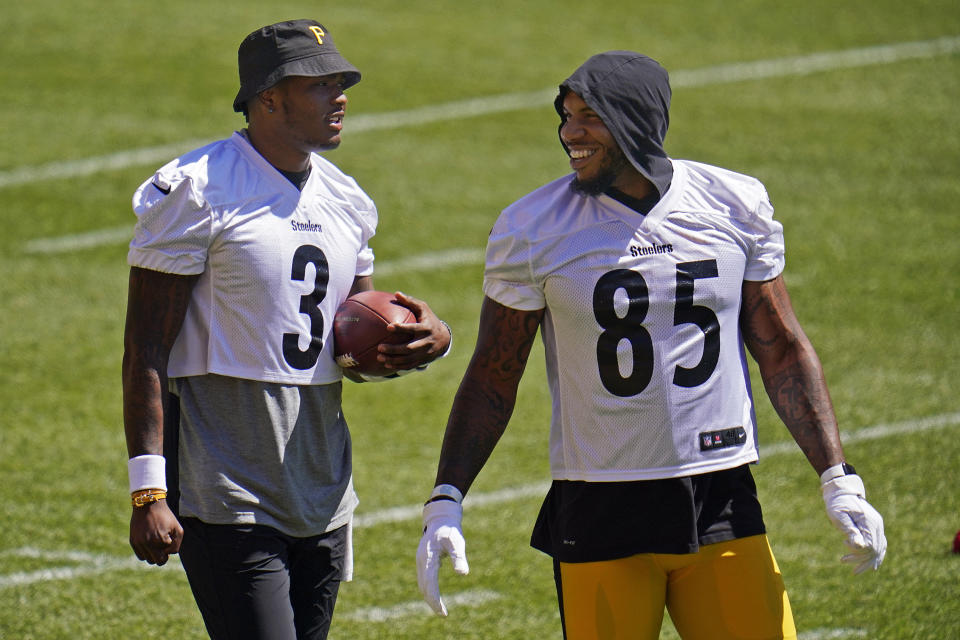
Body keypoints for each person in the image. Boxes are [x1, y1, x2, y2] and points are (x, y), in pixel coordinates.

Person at [415, 51, 886, 639]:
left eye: (590, 116)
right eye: (566, 116)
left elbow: (781, 348)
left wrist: (838, 478)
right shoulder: (531, 226)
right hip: (599, 504)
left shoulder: (733, 203)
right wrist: (446, 497)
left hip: (721, 495)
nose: (570, 133)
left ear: (636, 119)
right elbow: (494, 373)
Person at [121, 19, 451, 640]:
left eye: (342, 83)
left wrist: (427, 338)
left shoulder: (347, 199)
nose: (341, 96)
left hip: (321, 481)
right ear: (268, 98)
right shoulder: (196, 191)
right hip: (226, 481)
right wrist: (149, 490)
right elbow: (145, 349)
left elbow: (356, 335)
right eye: (320, 84)